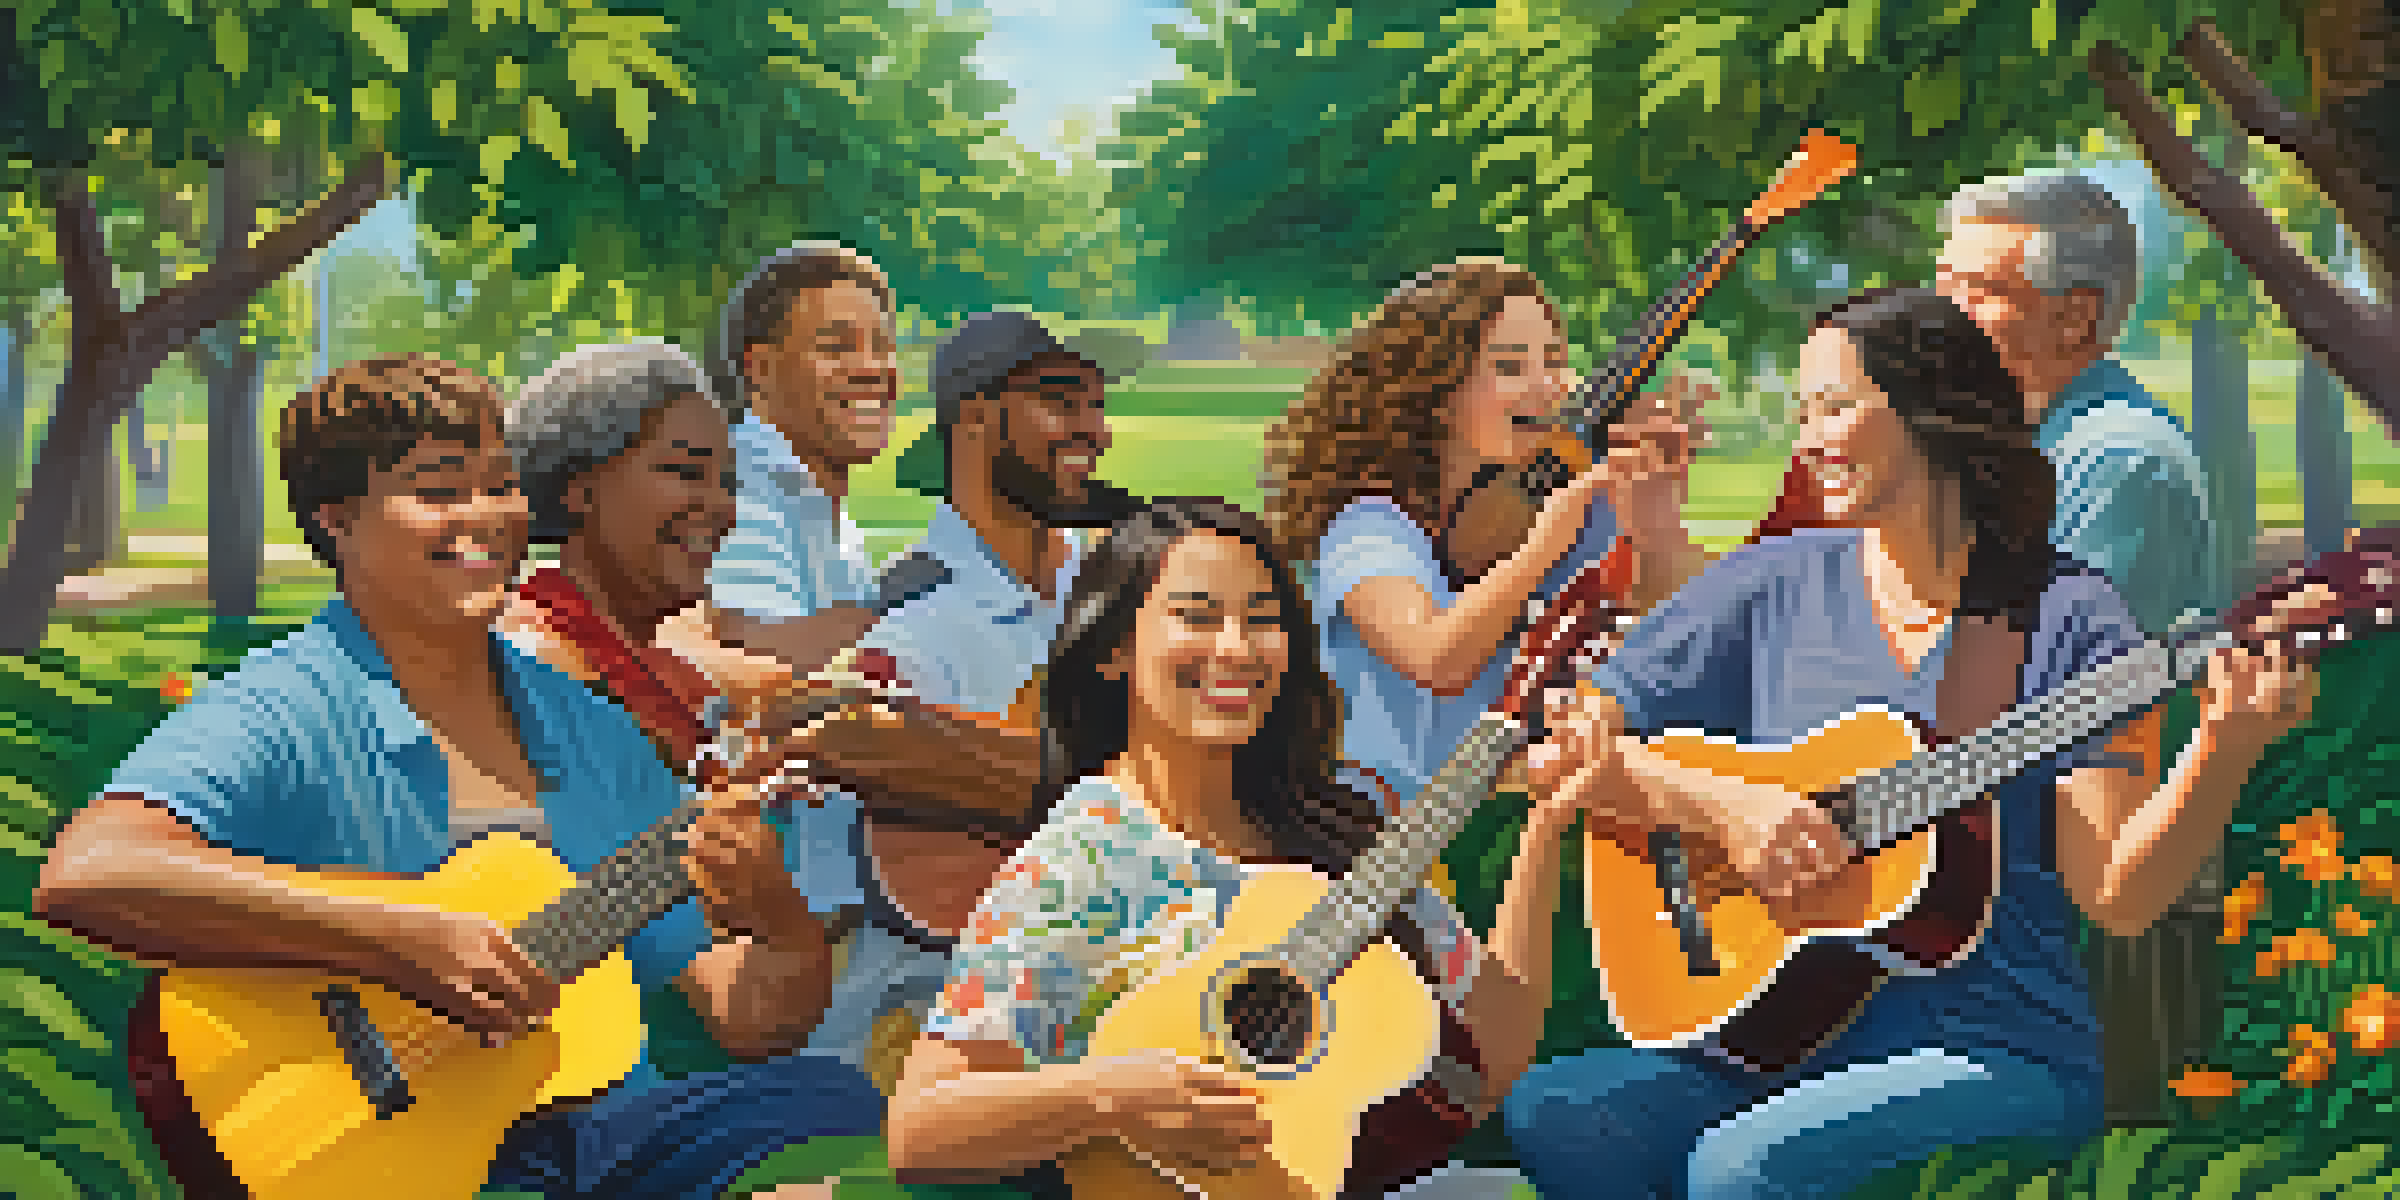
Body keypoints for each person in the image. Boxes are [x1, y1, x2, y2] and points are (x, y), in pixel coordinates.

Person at [1501, 288, 2316, 1200]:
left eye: (1836, 407)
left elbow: (2119, 900)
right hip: (1765, 1029)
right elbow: (1557, 745)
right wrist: (1727, 807)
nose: (1809, 442)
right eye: (1803, 413)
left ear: (1935, 412)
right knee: (1557, 1112)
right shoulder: (1774, 584)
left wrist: (2223, 745)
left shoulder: (2068, 621)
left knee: (1741, 1170)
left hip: (1994, 1047)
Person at [33, 354, 879, 1200]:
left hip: (603, 1134)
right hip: (400, 1155)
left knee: (837, 1102)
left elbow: (744, 1017)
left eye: (501, 487)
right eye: (439, 491)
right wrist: (400, 940)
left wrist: (781, 922)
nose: (486, 519)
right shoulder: (283, 705)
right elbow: (91, 872)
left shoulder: (585, 727)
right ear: (337, 520)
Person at [883, 497, 1587, 1197]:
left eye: (1262, 620)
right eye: (1196, 616)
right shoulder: (1086, 858)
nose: (1236, 649)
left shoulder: (1322, 834)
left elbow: (1491, 1051)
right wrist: (1109, 1094)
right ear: (1115, 649)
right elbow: (921, 1130)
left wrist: (1546, 825)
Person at [1936, 170, 2228, 1123]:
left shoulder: (2117, 459)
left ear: (2077, 320)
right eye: (1943, 284)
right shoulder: (2012, 449)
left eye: (1977, 293)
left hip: (2089, 893)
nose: (1942, 316)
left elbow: (2046, 691)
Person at [868, 309, 1141, 720]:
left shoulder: (1119, 576)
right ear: (976, 416)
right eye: (1062, 405)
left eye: (1096, 407)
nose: (1098, 436)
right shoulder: (907, 620)